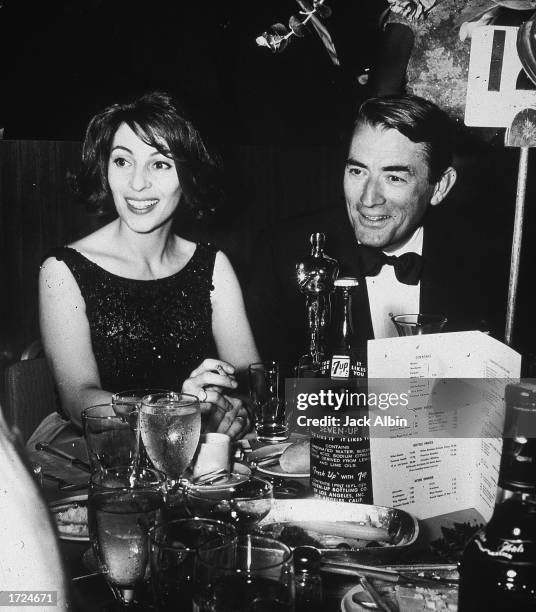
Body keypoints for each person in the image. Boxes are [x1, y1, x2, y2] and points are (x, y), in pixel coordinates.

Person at [35, 91, 259, 443]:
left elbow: (249, 380)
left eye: (160, 164)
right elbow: (78, 397)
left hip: (192, 445)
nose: (137, 184)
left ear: (188, 174)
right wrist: (177, 408)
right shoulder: (62, 269)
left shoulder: (213, 265)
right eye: (123, 161)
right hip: (98, 450)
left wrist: (230, 410)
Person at [246, 94, 511, 363]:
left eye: (394, 177)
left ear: (440, 186)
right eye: (357, 172)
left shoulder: (490, 263)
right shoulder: (281, 254)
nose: (368, 199)